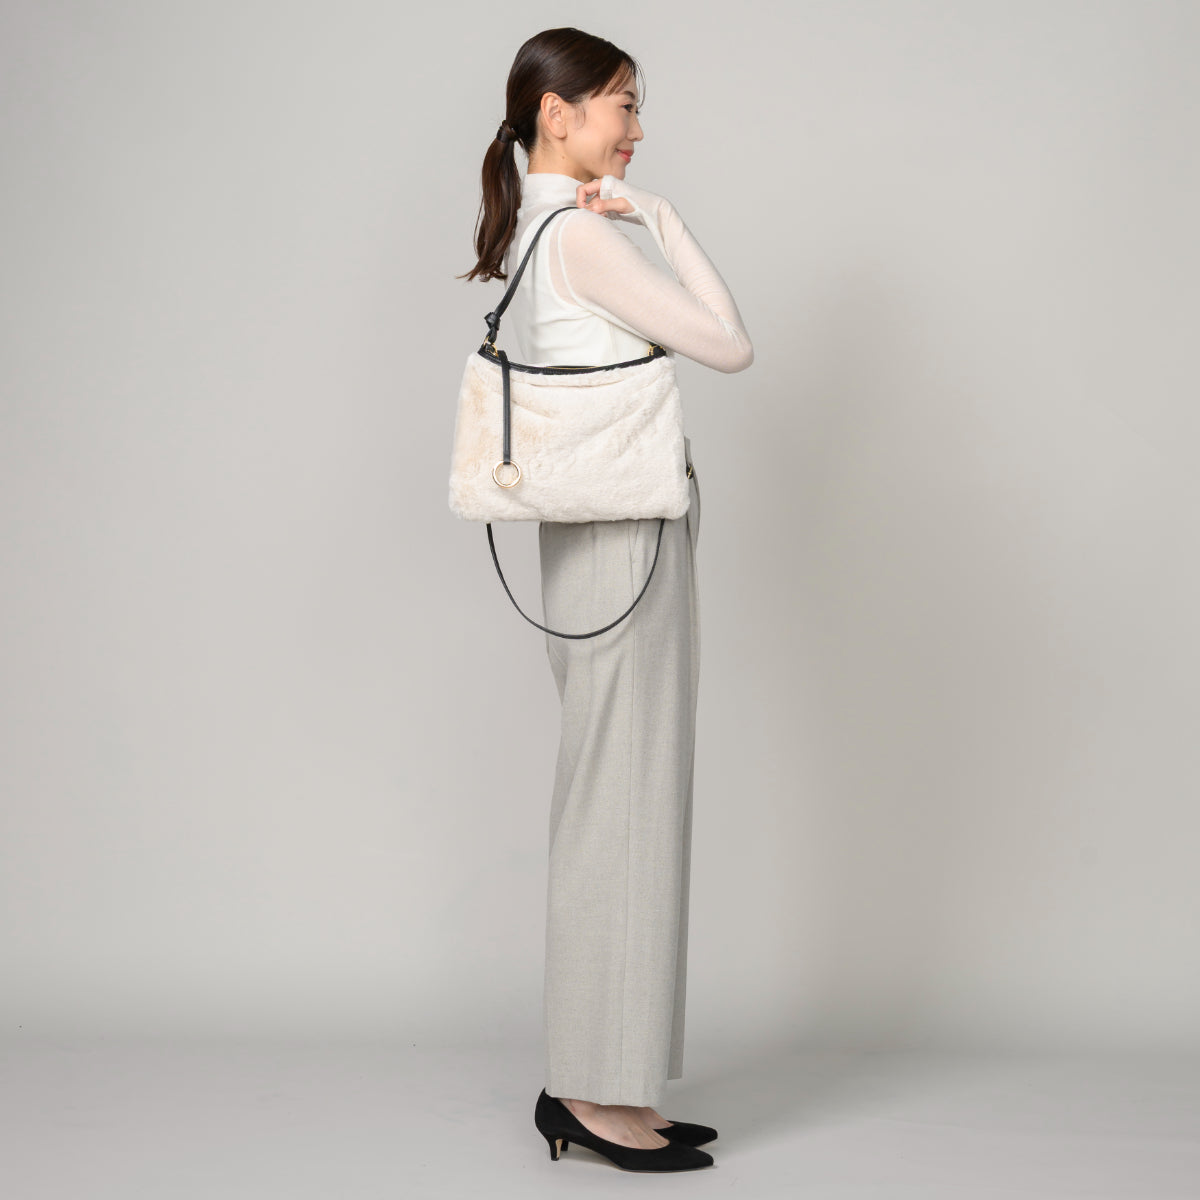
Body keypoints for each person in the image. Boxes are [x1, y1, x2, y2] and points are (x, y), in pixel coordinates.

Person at [459, 27, 754, 1173]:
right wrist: (665, 220)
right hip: (625, 533)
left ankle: (609, 1080)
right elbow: (727, 345)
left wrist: (646, 211)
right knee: (620, 802)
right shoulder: (582, 234)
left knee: (619, 794)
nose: (636, 127)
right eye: (622, 104)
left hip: (600, 533)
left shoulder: (540, 230)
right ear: (558, 114)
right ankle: (591, 1093)